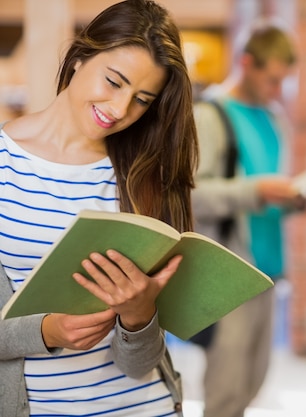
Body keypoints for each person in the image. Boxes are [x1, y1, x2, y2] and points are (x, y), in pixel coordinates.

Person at [0, 1, 198, 416]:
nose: (120, 109)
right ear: (79, 58)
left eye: (142, 99)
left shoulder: (143, 177)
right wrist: (44, 331)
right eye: (113, 82)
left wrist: (138, 317)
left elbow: (140, 364)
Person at [191, 22, 303, 417]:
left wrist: (294, 198)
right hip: (231, 275)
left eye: (284, 82)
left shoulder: (273, 118)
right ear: (246, 63)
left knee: (253, 383)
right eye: (272, 80)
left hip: (268, 272)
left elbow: (271, 184)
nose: (277, 91)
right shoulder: (210, 115)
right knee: (225, 392)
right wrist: (255, 191)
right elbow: (191, 196)